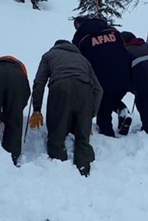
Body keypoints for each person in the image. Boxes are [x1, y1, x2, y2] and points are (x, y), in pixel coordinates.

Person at [29, 39, 103, 176]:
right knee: (83, 137)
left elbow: (39, 82)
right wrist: (89, 117)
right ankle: (84, 168)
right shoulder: (83, 59)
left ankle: (60, 168)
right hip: (84, 89)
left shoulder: (49, 56)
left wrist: (37, 110)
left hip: (61, 87)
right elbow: (98, 90)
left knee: (57, 132)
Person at [72, 16, 132, 137]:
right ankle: (123, 111)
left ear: (79, 26)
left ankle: (107, 138)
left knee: (103, 108)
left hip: (101, 80)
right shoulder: (113, 32)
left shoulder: (81, 39)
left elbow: (79, 61)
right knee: (111, 99)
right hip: (124, 76)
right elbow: (125, 50)